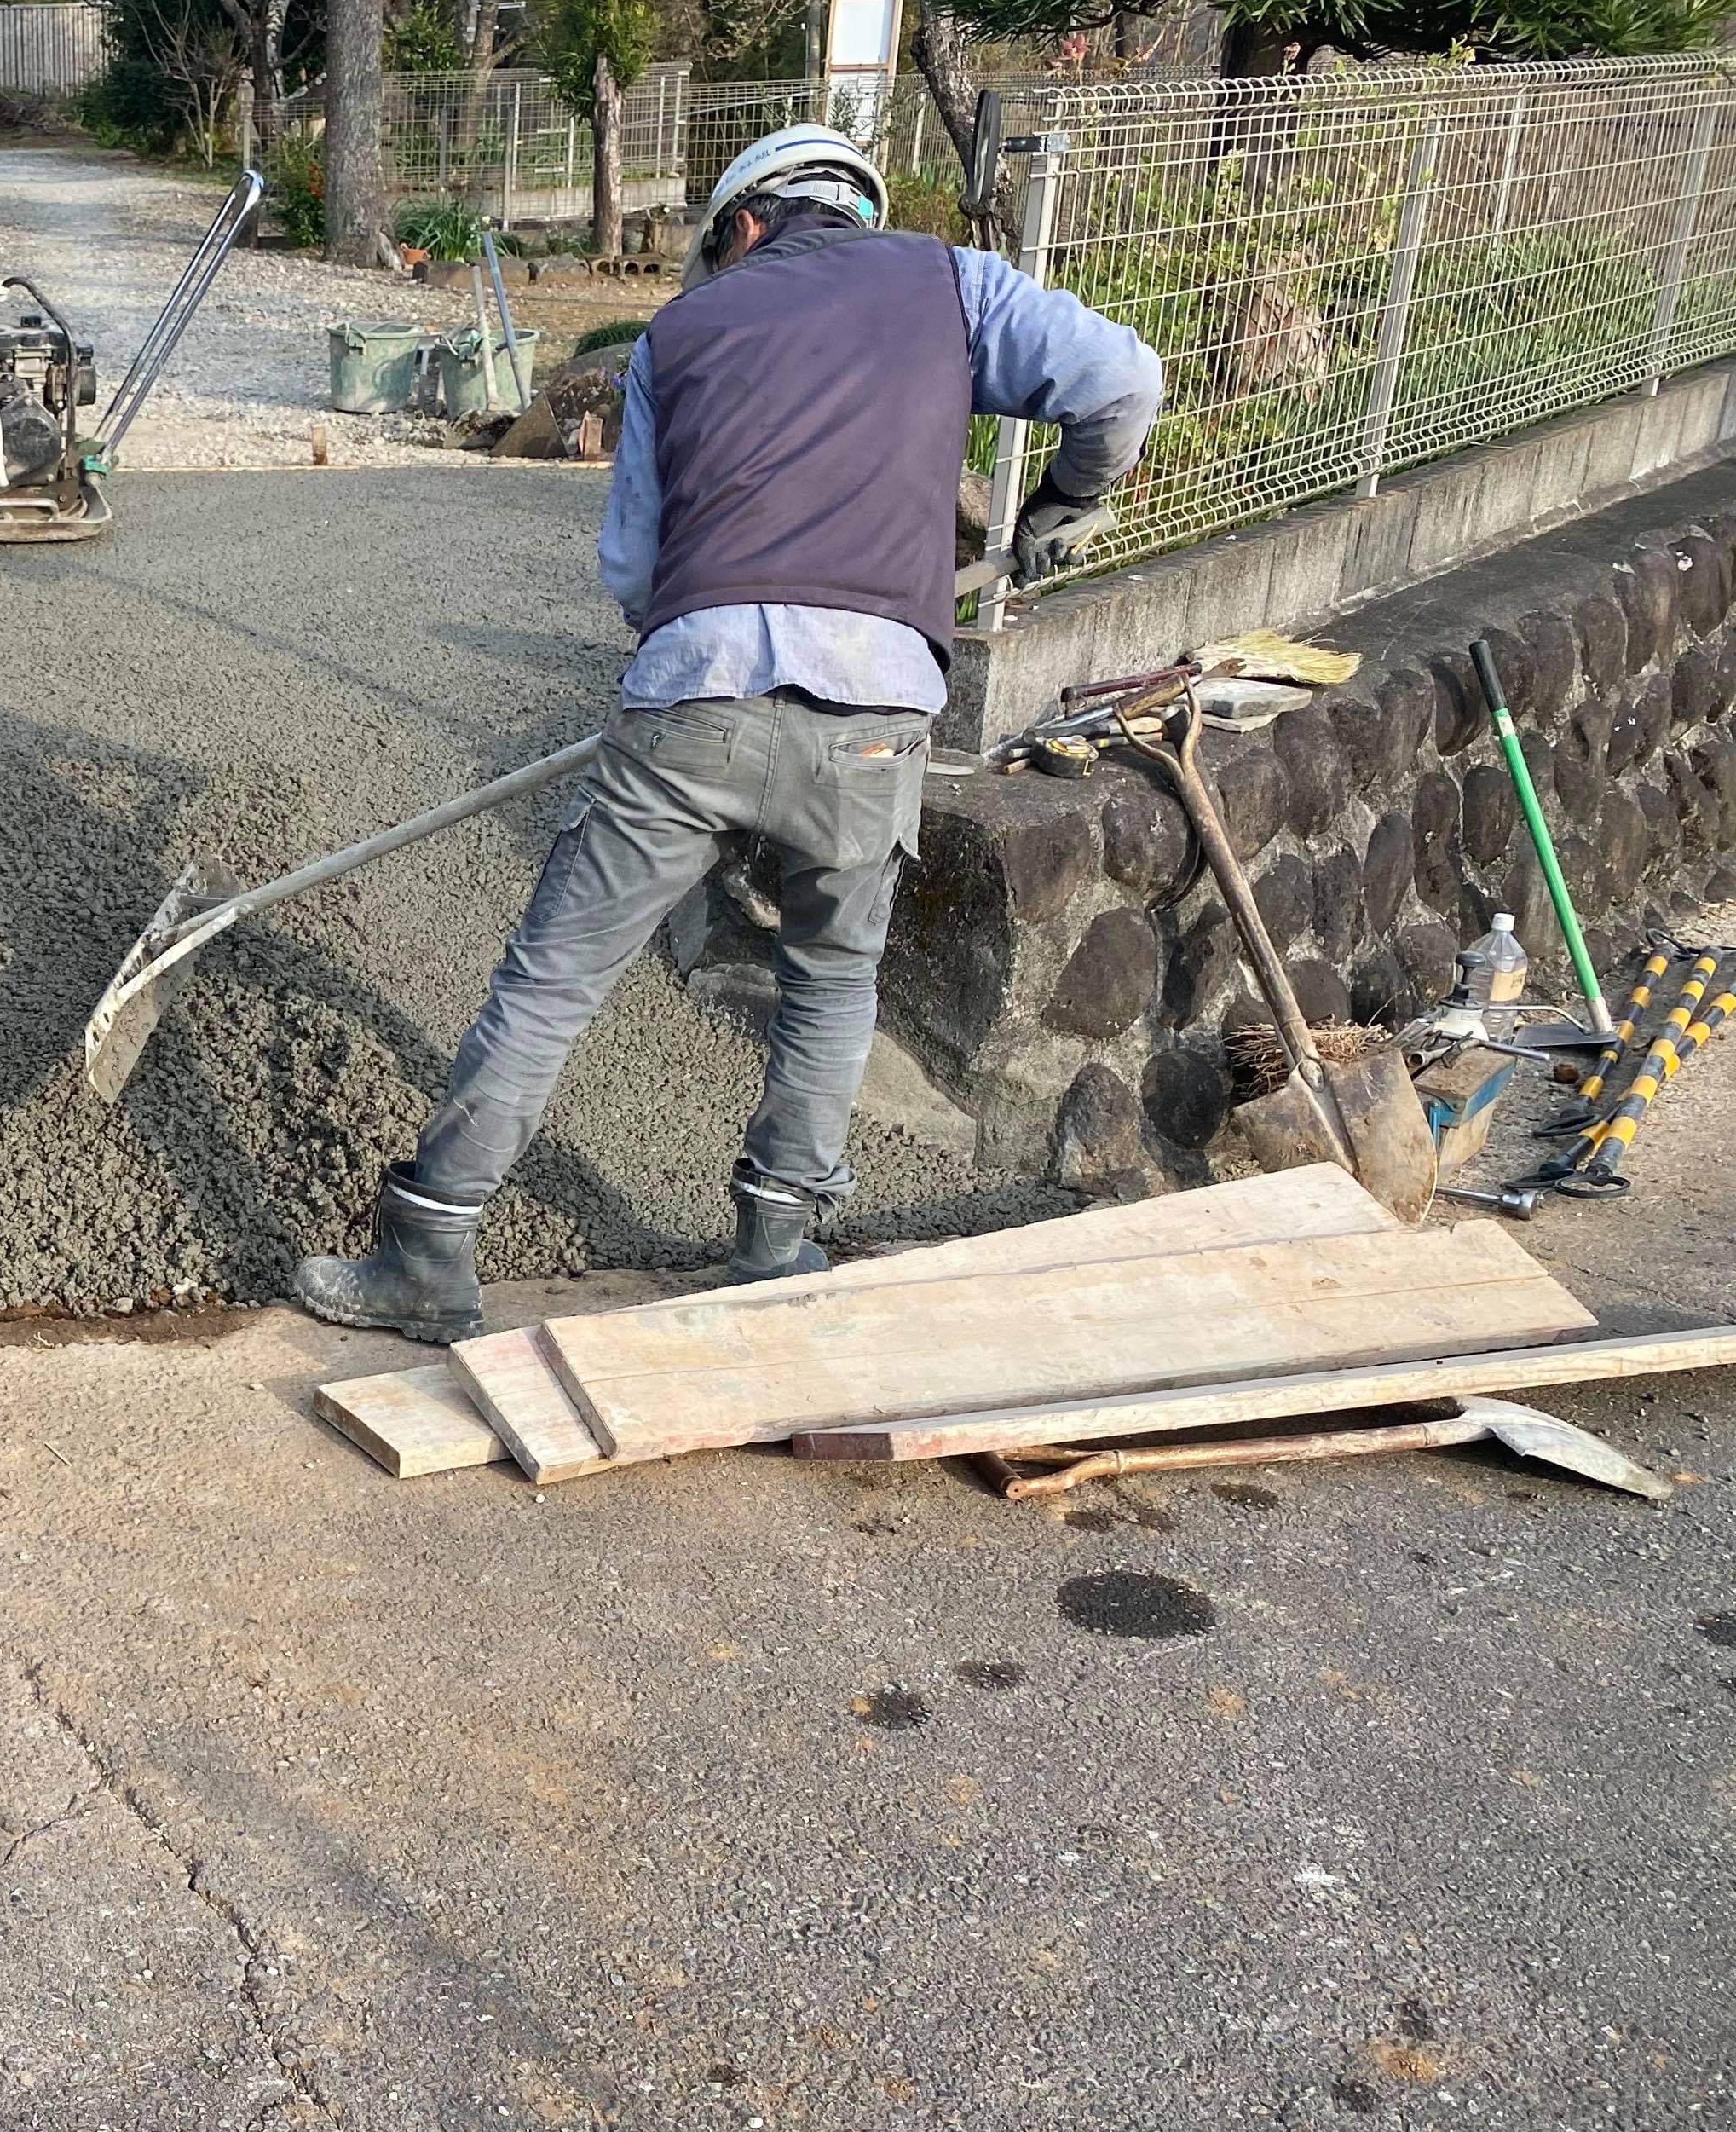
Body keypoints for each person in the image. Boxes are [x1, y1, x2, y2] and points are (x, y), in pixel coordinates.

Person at [295, 123, 1165, 1341]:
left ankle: (428, 1250)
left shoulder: (678, 335)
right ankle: (774, 1244)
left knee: (552, 980)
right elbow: (1125, 383)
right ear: (845, 208)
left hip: (694, 698)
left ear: (744, 224)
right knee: (830, 977)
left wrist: (699, 644)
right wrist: (1072, 499)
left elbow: (635, 571)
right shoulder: (949, 284)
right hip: (874, 714)